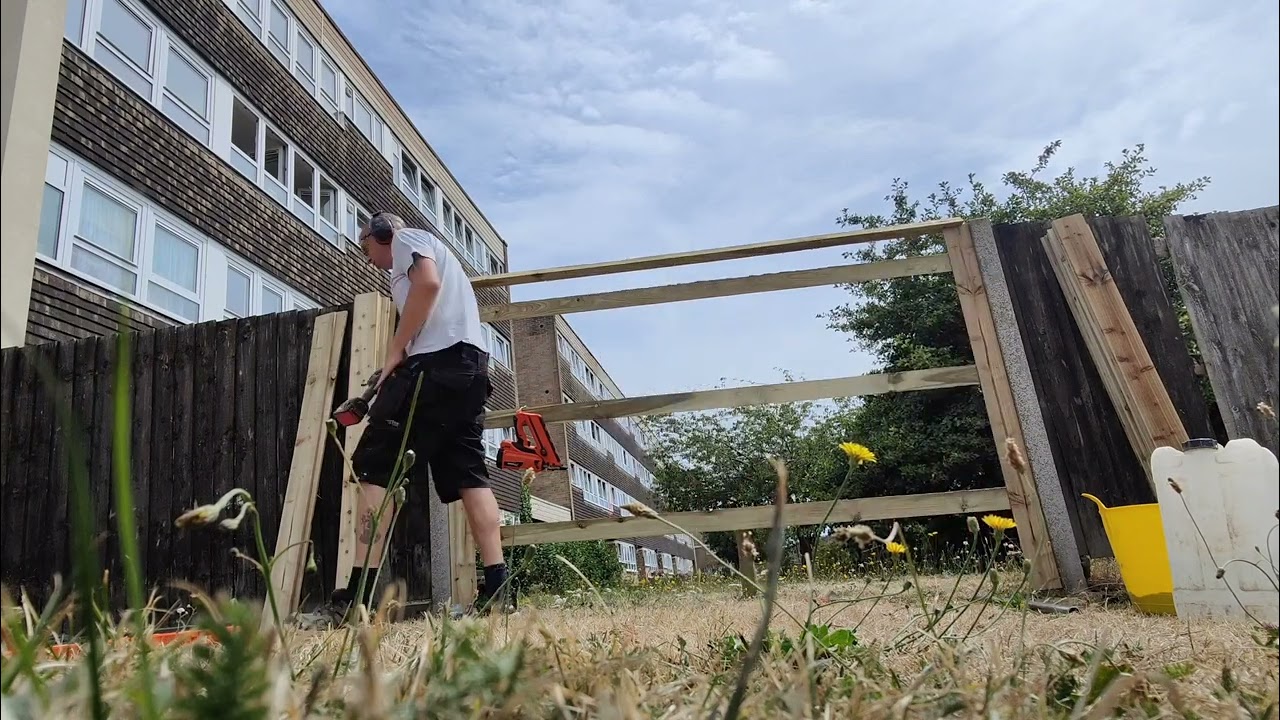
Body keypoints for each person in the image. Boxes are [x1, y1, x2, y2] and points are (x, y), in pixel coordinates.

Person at [304, 211, 510, 626]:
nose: (367, 259)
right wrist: (397, 361)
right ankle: (499, 589)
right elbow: (429, 306)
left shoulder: (405, 240)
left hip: (438, 368)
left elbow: (427, 284)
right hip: (469, 372)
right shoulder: (429, 259)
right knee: (470, 474)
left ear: (379, 234)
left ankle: (356, 599)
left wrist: (396, 349)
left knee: (374, 467)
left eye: (365, 249)